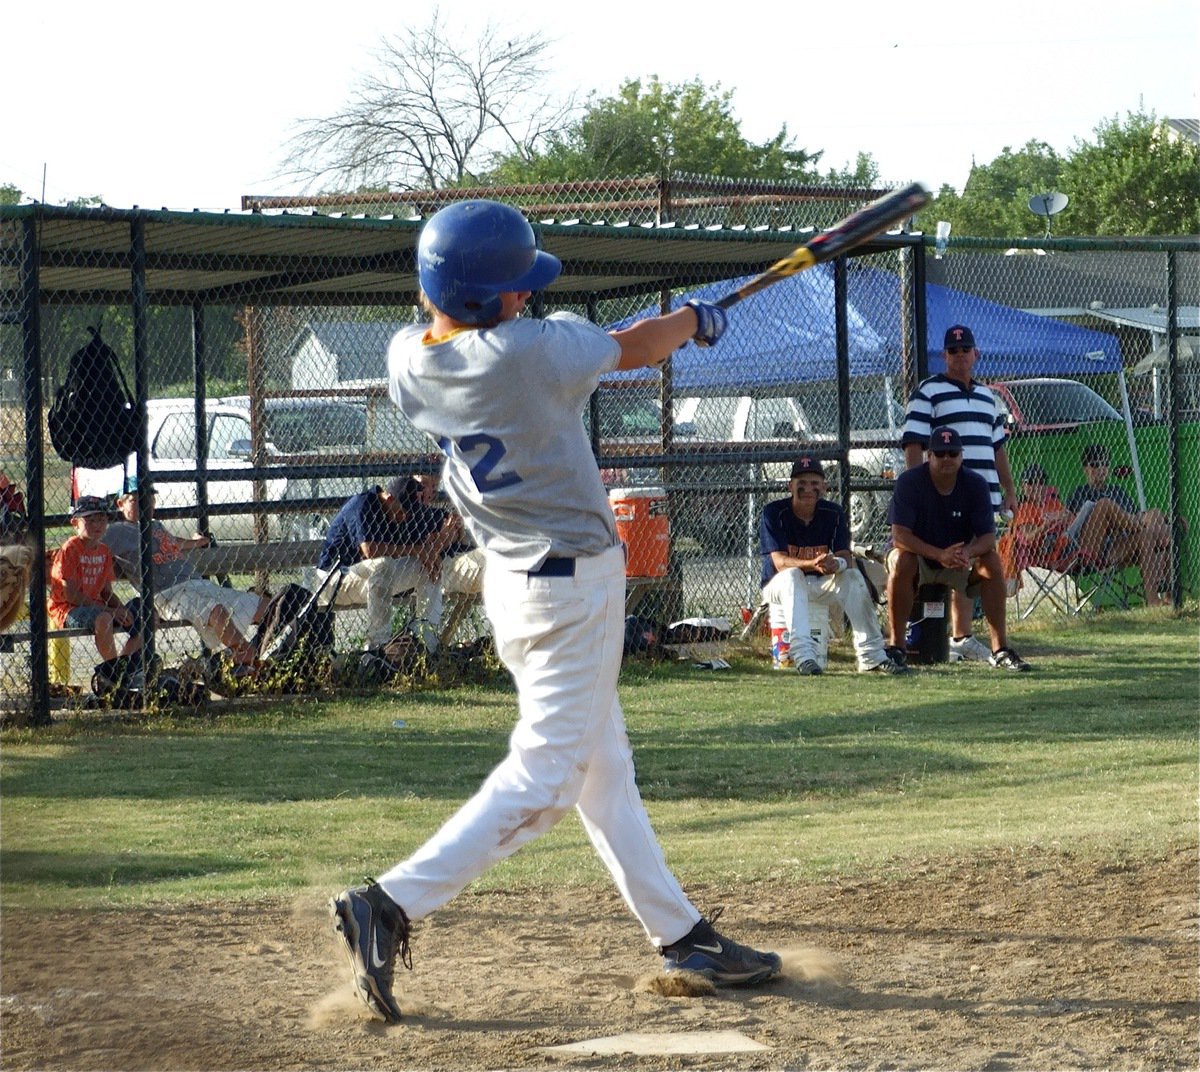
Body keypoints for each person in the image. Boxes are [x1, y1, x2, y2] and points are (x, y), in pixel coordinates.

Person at [329, 199, 780, 1024]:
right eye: (514, 289)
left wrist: (678, 321)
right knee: (548, 777)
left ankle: (683, 935)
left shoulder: (408, 358)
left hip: (513, 581)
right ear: (487, 299)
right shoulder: (531, 354)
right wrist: (695, 321)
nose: (526, 299)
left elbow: (574, 335)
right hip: (573, 591)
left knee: (603, 771)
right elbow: (640, 346)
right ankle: (389, 903)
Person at [900, 324, 1018, 663]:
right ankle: (925, 637)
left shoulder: (987, 397)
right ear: (944, 355)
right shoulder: (929, 391)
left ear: (976, 354)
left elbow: (998, 448)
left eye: (965, 349)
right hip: (941, 493)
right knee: (940, 555)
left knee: (976, 557)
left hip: (980, 496)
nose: (960, 355)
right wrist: (915, 489)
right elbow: (915, 442)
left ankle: (963, 636)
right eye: (953, 350)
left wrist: (1009, 490)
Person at [886, 427, 1030, 671]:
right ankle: (897, 648)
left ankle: (1000, 650)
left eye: (953, 453)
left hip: (959, 560)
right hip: (920, 558)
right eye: (940, 454)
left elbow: (987, 537)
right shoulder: (910, 481)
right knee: (901, 559)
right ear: (928, 455)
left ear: (961, 456)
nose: (947, 459)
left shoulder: (975, 483)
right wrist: (939, 554)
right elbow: (899, 536)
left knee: (992, 561)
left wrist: (967, 552)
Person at [759, 455, 908, 676]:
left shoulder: (833, 512)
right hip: (779, 588)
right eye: (802, 483)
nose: (808, 489)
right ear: (791, 486)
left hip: (819, 582)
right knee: (792, 576)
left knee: (853, 576)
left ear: (824, 487)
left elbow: (845, 556)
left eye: (814, 483)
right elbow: (779, 563)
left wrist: (835, 564)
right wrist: (813, 562)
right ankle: (804, 657)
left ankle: (872, 656)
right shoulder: (774, 512)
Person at [103, 477, 269, 669]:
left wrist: (195, 542)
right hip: (167, 594)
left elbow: (172, 543)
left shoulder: (155, 525)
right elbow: (90, 546)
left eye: (150, 498)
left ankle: (263, 654)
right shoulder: (117, 531)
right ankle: (244, 656)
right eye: (136, 499)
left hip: (198, 585)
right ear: (120, 504)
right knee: (216, 610)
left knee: (264, 606)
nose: (145, 503)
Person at [315, 477, 464, 653]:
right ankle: (378, 646)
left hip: (373, 581)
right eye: (402, 512)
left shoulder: (404, 511)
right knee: (383, 564)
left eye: (410, 513)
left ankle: (427, 639)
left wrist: (443, 539)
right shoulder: (363, 504)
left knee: (429, 565)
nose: (405, 517)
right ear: (389, 499)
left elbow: (453, 523)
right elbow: (369, 550)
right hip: (334, 581)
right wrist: (420, 551)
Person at [48, 496, 144, 681]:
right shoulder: (71, 548)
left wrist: (120, 608)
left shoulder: (104, 551)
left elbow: (106, 592)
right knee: (104, 619)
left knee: (145, 611)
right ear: (76, 523)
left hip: (98, 606)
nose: (97, 525)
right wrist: (110, 611)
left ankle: (125, 666)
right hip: (68, 609)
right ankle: (116, 675)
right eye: (90, 520)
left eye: (101, 519)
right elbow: (71, 595)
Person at [1063, 444, 1171, 605]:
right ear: (1085, 468)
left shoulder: (1118, 491)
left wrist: (1134, 522)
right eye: (1095, 464)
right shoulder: (1079, 493)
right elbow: (1078, 526)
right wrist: (1120, 523)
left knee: (1153, 523)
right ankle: (1156, 533)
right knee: (1106, 505)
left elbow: (1131, 517)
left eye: (1105, 463)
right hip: (1094, 549)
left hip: (1119, 544)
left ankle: (1156, 599)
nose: (1101, 468)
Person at [997, 463, 1072, 593]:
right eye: (1031, 482)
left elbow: (1070, 518)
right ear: (1023, 486)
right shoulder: (1023, 508)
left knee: (1089, 509)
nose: (1037, 486)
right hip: (1044, 552)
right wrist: (1047, 524)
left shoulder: (1053, 503)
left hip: (1068, 545)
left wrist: (1065, 517)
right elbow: (1028, 537)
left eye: (1041, 482)